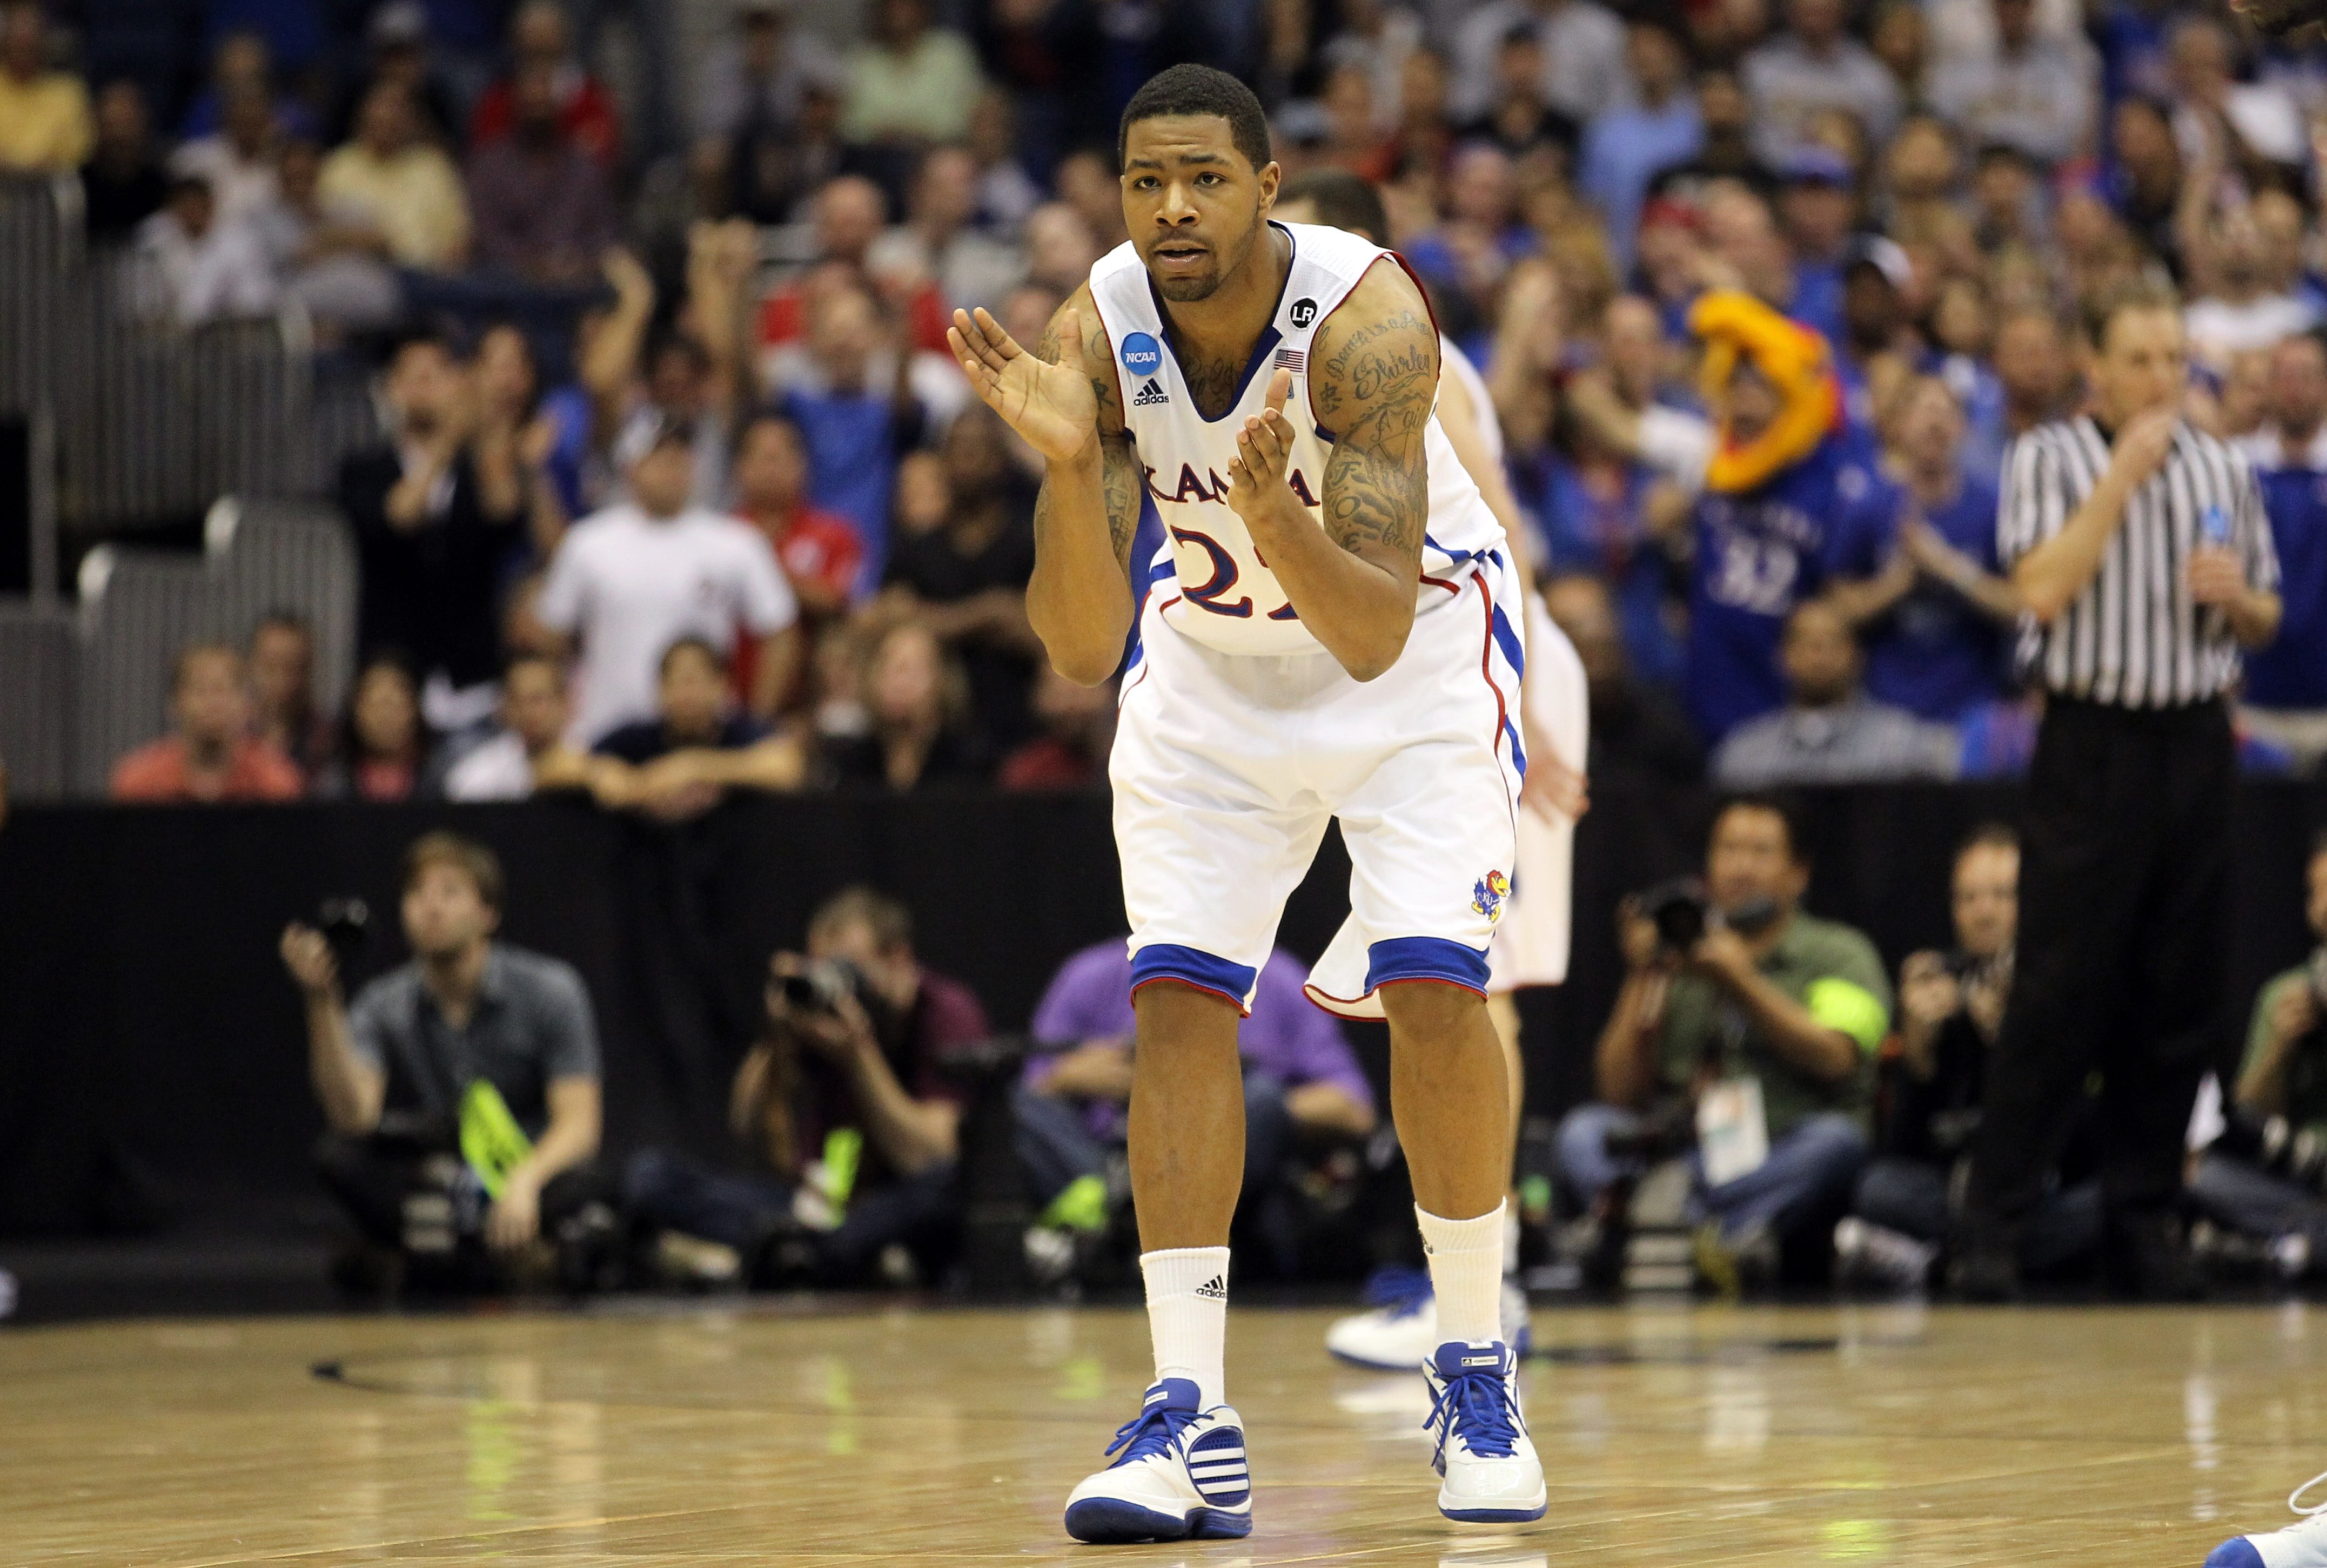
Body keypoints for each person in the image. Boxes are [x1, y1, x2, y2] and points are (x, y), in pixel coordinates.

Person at [945, 65, 1543, 1535]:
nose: (1172, 207)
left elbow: (1367, 633)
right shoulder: (1098, 325)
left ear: (1267, 187)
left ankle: (1472, 1357)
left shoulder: (1369, 325)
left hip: (1407, 659)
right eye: (1146, 180)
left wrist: (1271, 512)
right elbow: (1082, 647)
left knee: (1432, 988)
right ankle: (1186, 1410)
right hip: (1209, 672)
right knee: (1175, 1000)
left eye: (1204, 177)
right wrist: (1076, 459)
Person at [1954, 281, 2284, 1303]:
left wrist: (2242, 604)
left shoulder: (2225, 463)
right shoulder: (2048, 457)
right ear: (2093, 366)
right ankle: (1992, 1224)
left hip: (2192, 738)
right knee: (2057, 986)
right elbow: (2040, 589)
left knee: (2176, 991)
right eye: (2139, 359)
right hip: (2090, 739)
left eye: (2173, 358)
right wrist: (2119, 486)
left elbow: (2266, 621)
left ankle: (2144, 1220)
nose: (2160, 380)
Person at [1559, 795, 1889, 1290]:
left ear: (1798, 873)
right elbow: (1617, 1090)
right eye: (1728, 850)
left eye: (1759, 852)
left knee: (1836, 1143)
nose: (1740, 867)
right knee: (1582, 1131)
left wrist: (1740, 979)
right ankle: (1707, 1233)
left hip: (1778, 1148)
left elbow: (1836, 1058)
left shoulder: (1839, 953)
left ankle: (1662, 1225)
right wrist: (1641, 975)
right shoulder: (1682, 955)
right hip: (1683, 1151)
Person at [280, 832, 611, 1288]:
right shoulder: (385, 1002)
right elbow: (353, 1116)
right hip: (445, 1174)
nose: (431, 906)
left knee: (591, 1182)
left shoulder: (551, 990)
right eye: (416, 893)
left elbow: (579, 1124)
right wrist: (322, 1003)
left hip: (527, 1169)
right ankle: (485, 1259)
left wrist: (525, 1182)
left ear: (488, 913)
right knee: (340, 1158)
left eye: (450, 892)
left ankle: (431, 1258)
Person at [622, 886, 987, 1288]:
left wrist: (860, 1056)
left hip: (896, 1203)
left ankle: (793, 1255)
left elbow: (929, 1156)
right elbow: (746, 1127)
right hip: (821, 1208)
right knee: (652, 1177)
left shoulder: (945, 1012)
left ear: (898, 959)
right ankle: (815, 1254)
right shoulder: (817, 1018)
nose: (836, 986)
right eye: (823, 970)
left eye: (848, 970)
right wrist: (776, 1038)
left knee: (948, 1186)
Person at [1017, 940, 1377, 1278]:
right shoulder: (1089, 974)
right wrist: (1071, 1075)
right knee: (1028, 1107)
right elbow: (1034, 1088)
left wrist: (1227, 1101)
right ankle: (1114, 1209)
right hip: (1103, 1154)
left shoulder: (1281, 979)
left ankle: (1137, 1220)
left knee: (1262, 1098)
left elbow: (1352, 1107)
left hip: (1218, 1158)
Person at [1842, 825, 2102, 1289]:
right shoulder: (1937, 983)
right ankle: (1994, 1255)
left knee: (2108, 1204)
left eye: (2003, 895)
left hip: (2044, 1188)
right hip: (1954, 1188)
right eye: (1969, 898)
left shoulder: (2070, 988)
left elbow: (2085, 1145)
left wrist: (2013, 1047)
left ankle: (1946, 1259)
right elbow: (1906, 1148)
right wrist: (1918, 1057)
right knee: (1878, 1188)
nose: (1985, 913)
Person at [1682, 289, 1897, 744]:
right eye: (1734, 384)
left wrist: (1901, 581)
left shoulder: (1832, 479)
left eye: (1758, 384)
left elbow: (1842, 599)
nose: (1743, 399)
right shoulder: (1710, 463)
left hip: (1793, 698)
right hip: (1711, 685)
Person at [534, 417, 802, 743]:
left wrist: (757, 720)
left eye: (681, 455)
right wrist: (562, 714)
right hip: (604, 732)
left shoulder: (736, 542)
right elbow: (550, 636)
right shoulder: (587, 543)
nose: (672, 465)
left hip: (706, 739)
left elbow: (781, 632)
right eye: (659, 456)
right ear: (630, 467)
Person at [337, 332, 529, 728]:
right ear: (391, 389)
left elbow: (504, 514)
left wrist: (487, 429)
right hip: (393, 675)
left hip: (472, 673)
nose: (425, 387)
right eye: (413, 377)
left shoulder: (477, 467)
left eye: (436, 375)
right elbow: (397, 519)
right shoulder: (363, 470)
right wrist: (447, 440)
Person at [2184, 832, 2327, 1274]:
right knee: (2202, 1178)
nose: (2324, 905)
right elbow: (2248, 1116)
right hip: (2302, 1175)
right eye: (2315, 892)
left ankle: (2282, 1250)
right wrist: (2280, 1049)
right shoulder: (2284, 994)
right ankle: (2301, 1245)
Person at [1841, 376, 2018, 722]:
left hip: (1973, 709)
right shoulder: (1869, 507)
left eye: (1946, 414)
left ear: (1964, 429)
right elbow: (1838, 611)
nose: (1935, 423)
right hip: (1881, 710)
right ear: (1898, 427)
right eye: (1923, 411)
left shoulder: (1992, 509)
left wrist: (1947, 567)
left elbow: (2017, 607)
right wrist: (1903, 579)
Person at [1711, 600, 1960, 786]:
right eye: (1808, 644)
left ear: (1858, 656)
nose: (1820, 656)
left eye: (1833, 642)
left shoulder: (1906, 749)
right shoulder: (1743, 758)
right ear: (1782, 658)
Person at [554, 636, 806, 817]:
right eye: (678, 682)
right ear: (660, 690)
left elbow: (787, 766)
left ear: (722, 686)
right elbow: (556, 765)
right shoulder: (636, 738)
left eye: (697, 681)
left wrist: (692, 768)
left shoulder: (741, 733)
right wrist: (603, 776)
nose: (688, 694)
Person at [2234, 332, 2327, 771]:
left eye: (2307, 376)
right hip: (2254, 703)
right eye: (2284, 376)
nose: (2295, 388)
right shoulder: (2237, 468)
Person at [464, 59, 617, 284]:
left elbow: (605, 230)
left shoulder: (583, 167)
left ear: (559, 109)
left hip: (577, 285)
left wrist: (580, 262)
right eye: (531, 105)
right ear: (517, 107)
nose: (538, 112)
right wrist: (530, 265)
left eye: (544, 106)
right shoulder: (490, 166)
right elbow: (486, 234)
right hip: (510, 287)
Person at [112, 642, 305, 803]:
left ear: (248, 705)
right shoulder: (137, 782)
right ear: (174, 702)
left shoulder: (278, 783)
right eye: (199, 690)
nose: (212, 703)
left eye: (222, 689)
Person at [319, 82, 469, 271]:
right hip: (368, 273)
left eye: (396, 118)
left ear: (411, 122)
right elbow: (324, 234)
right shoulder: (339, 167)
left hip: (433, 276)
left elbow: (459, 238)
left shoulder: (433, 166)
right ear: (364, 119)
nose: (389, 123)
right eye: (380, 120)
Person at [822, 619, 989, 789]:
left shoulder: (967, 764)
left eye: (910, 669)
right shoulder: (855, 765)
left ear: (943, 681)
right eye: (888, 666)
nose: (898, 682)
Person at [443, 654, 583, 801]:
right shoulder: (477, 776)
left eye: (537, 700)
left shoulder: (591, 758)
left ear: (565, 702)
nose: (527, 711)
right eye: (517, 701)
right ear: (503, 708)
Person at [312, 654, 433, 802]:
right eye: (376, 704)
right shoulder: (331, 785)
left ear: (416, 708)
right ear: (355, 710)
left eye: (394, 705)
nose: (385, 717)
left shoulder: (443, 781)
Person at [0, 1, 91, 174]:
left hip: (51, 187)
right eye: (18, 44)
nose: (24, 48)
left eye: (29, 45)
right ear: (5, 43)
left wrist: (35, 165)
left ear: (43, 44)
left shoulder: (69, 91)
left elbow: (79, 150)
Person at [247, 611, 333, 780]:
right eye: (271, 666)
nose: (282, 680)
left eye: (292, 667)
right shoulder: (232, 738)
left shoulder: (327, 742)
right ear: (252, 665)